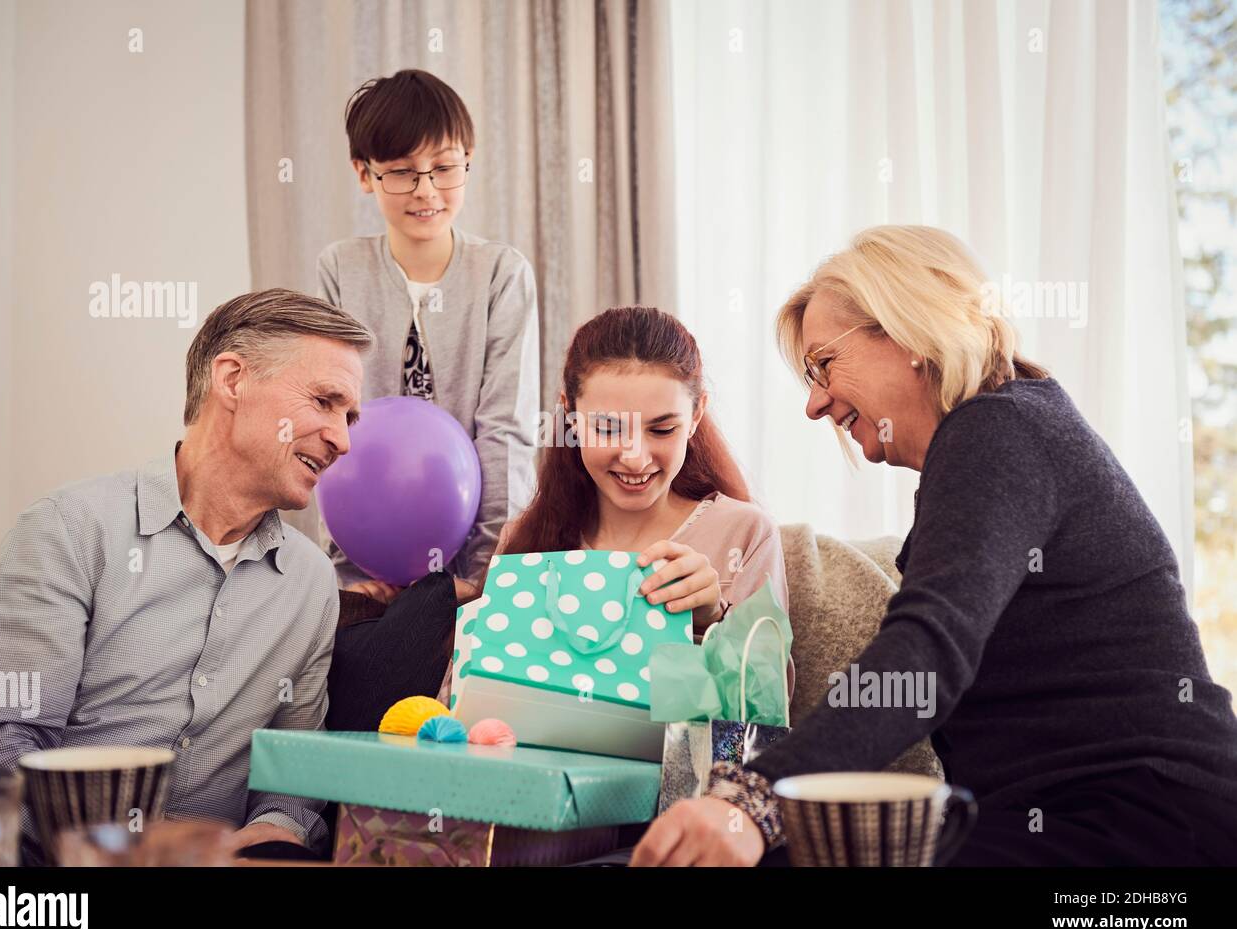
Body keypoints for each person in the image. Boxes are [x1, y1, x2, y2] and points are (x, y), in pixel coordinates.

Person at [632, 225, 1237, 867]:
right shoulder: (1004, 427)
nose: (813, 403)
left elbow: (926, 655)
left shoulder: (1000, 431)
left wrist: (749, 802)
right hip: (1087, 816)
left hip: (1148, 827)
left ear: (908, 334)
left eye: (823, 366)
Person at [0, 289, 372, 860]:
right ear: (233, 379)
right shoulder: (69, 529)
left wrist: (279, 825)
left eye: (349, 417)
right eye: (325, 401)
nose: (343, 440)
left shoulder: (311, 583)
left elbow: (292, 761)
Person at [438, 306, 790, 705]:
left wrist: (713, 619)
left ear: (696, 416)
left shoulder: (744, 534)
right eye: (607, 428)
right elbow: (459, 701)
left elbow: (766, 706)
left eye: (662, 429)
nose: (636, 458)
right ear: (569, 414)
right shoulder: (524, 540)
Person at [316, 68, 540, 603]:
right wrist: (350, 567)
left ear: (468, 163)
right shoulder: (340, 269)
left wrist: (488, 577)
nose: (426, 191)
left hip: (473, 573)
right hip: (363, 569)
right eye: (402, 172)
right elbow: (326, 418)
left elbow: (505, 431)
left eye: (444, 168)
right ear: (364, 173)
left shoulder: (501, 273)